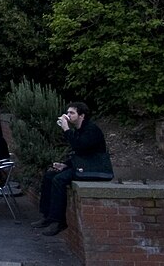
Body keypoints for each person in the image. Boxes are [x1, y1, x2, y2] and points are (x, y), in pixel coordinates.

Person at [33, 101, 109, 236]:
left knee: (59, 179)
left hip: (93, 169)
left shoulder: (91, 130)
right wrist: (65, 164)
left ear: (82, 116)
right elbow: (79, 152)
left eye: (71, 113)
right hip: (83, 166)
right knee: (50, 175)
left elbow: (80, 146)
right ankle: (48, 216)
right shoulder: (79, 130)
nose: (68, 115)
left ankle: (58, 221)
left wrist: (66, 129)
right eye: (67, 112)